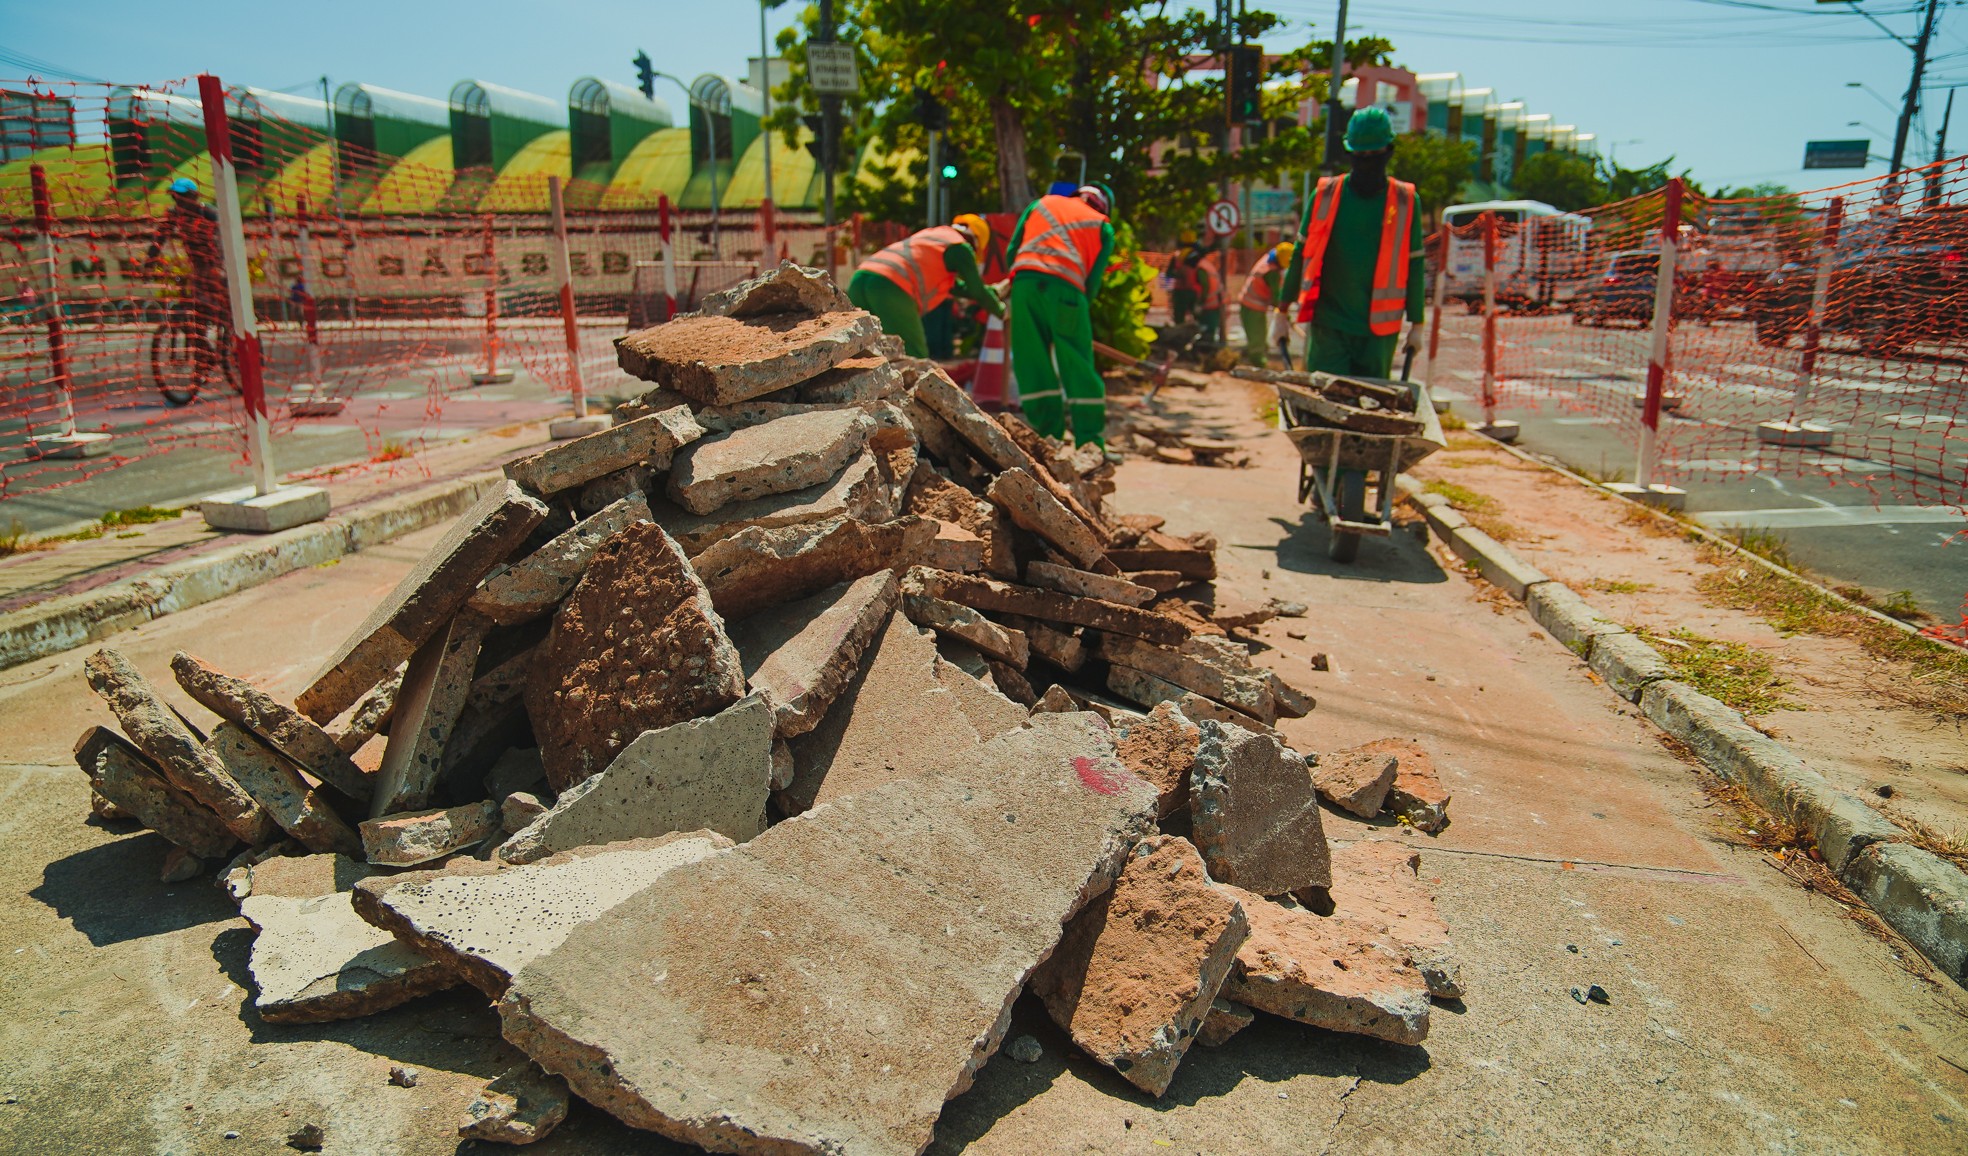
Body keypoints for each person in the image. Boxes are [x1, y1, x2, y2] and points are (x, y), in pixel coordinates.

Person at [1278, 107, 1425, 378]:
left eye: (1373, 156)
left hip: (1379, 332)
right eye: (1360, 156)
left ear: (1388, 152)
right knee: (1323, 403)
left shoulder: (1405, 201)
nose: (1366, 162)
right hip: (1330, 326)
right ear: (1350, 154)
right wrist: (1281, 311)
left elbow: (1414, 263)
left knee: (1373, 410)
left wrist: (1417, 323)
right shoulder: (1325, 195)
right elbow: (1300, 253)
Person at [1006, 183, 1116, 445]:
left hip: (1024, 285)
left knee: (1032, 360)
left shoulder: (1042, 203)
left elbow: (1012, 251)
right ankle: (1090, 442)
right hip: (1067, 291)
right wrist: (1077, 316)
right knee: (1077, 362)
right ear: (1103, 207)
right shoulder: (1103, 226)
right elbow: (1092, 283)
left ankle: (1047, 438)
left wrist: (1022, 286)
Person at [847, 214, 1003, 357]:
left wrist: (993, 291)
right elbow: (977, 290)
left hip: (860, 278)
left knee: (864, 354)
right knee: (912, 357)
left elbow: (958, 287)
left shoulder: (933, 236)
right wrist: (1002, 311)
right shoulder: (960, 248)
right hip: (891, 287)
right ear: (975, 241)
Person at [148, 176, 228, 335]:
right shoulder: (175, 215)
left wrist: (219, 263)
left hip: (219, 265)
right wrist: (150, 261)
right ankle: (201, 346)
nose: (178, 201)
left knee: (223, 308)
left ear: (194, 197)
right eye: (175, 197)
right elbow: (160, 237)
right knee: (194, 312)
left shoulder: (209, 213)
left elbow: (224, 237)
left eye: (182, 197)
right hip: (198, 267)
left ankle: (229, 333)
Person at [1237, 240, 1295, 366]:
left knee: (1258, 339)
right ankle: (1260, 368)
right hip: (1253, 307)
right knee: (1257, 342)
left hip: (1248, 305)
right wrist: (1285, 315)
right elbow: (1276, 298)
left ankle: (1240, 360)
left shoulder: (1268, 258)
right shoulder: (1271, 273)